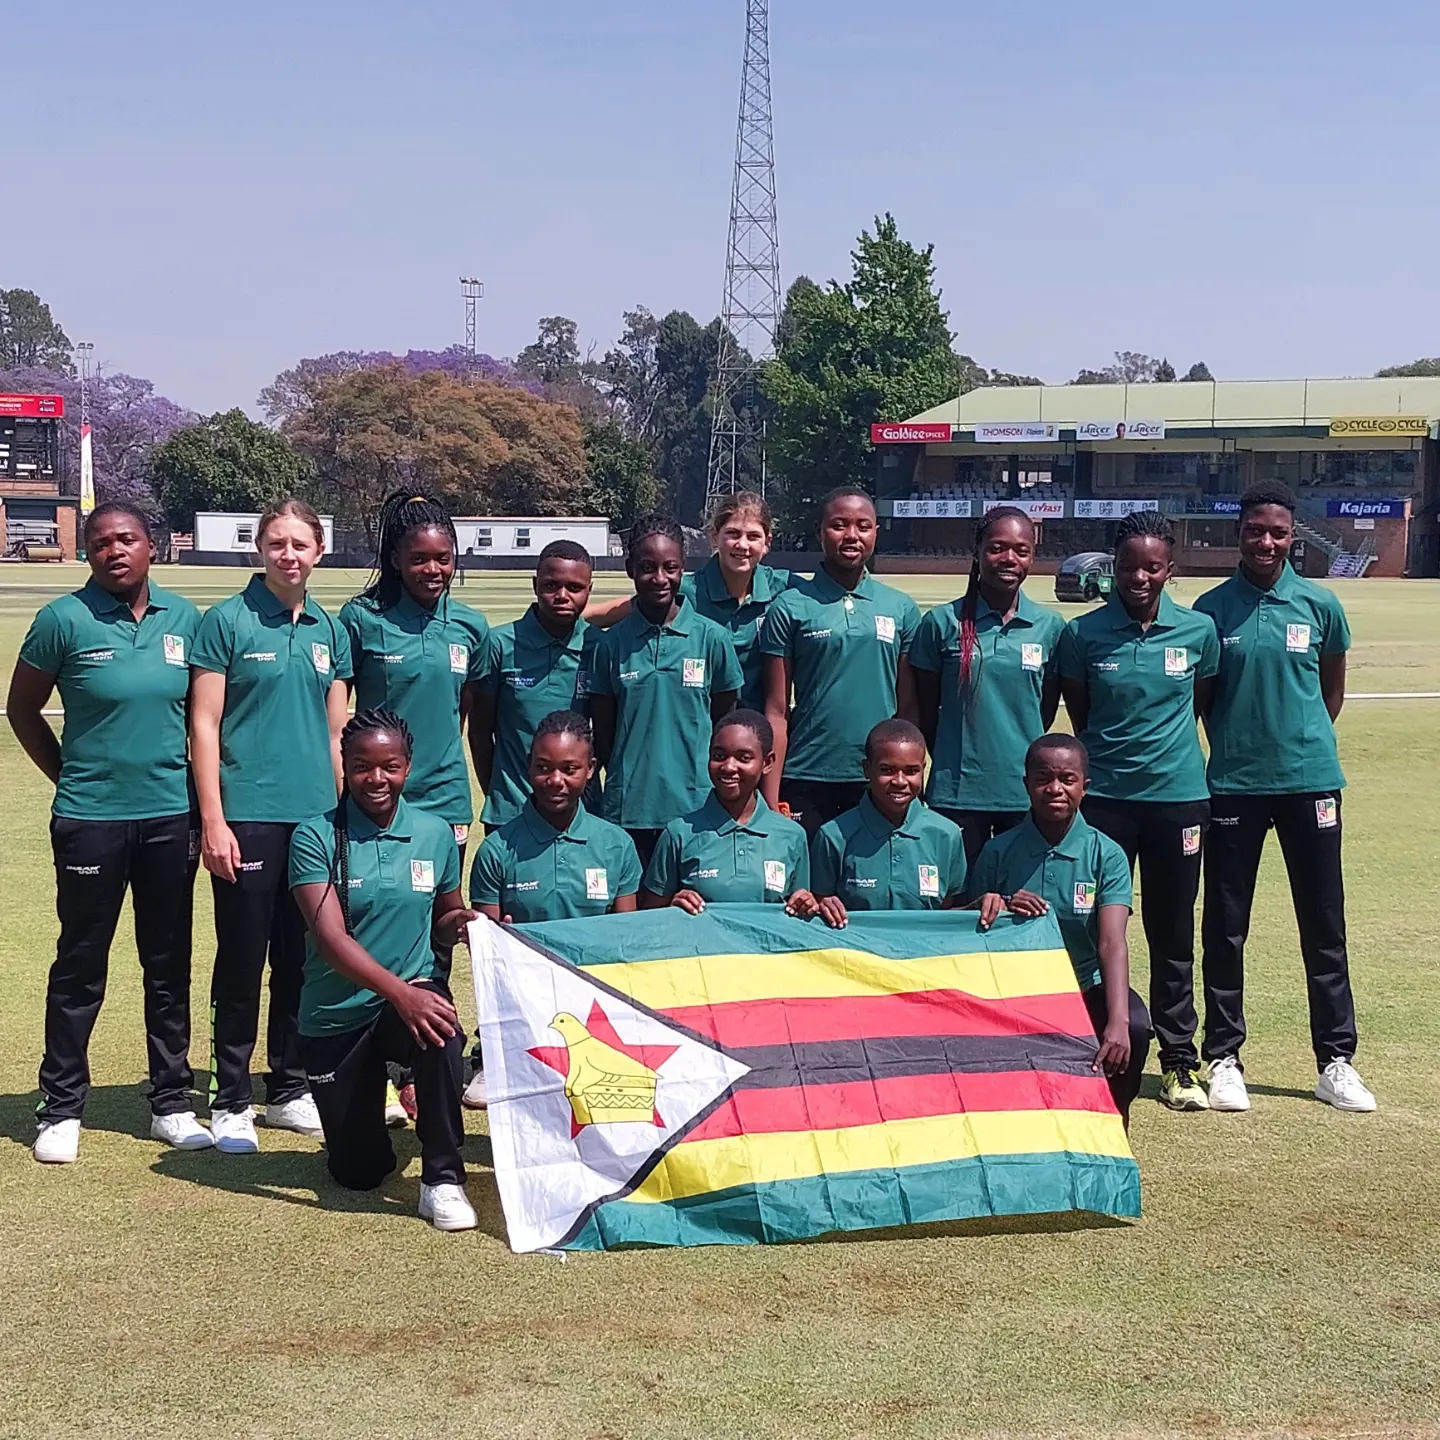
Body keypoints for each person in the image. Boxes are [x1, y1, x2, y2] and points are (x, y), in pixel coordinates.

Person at [8, 502, 211, 1163]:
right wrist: (68, 775)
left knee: (166, 962)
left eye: (127, 539)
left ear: (152, 547)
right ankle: (62, 1108)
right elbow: (23, 710)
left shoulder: (187, 620)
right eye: (101, 543)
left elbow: (206, 718)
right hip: (90, 820)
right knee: (80, 965)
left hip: (167, 818)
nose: (114, 551)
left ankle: (172, 1102)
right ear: (89, 555)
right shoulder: (61, 620)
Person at [1195, 481, 1375, 1113]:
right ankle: (1224, 1057)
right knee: (1225, 926)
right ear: (1238, 535)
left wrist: (1299, 746)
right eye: (1254, 531)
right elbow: (1204, 703)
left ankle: (1336, 1061)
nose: (1266, 542)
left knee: (1324, 926)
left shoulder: (1321, 605)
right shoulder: (1212, 611)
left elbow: (1331, 694)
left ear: (1292, 537)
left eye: (1277, 532)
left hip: (1311, 785)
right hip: (1234, 786)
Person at [190, 497, 353, 1154]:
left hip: (315, 819)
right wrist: (213, 820)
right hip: (248, 817)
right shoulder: (225, 621)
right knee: (240, 960)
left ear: (319, 552)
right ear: (261, 549)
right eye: (278, 543)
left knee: (301, 961)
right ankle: (229, 1098)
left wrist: (343, 820)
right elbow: (203, 723)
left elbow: (339, 731)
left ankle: (288, 1088)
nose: (290, 555)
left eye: (301, 545)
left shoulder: (328, 629)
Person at [288, 709, 479, 1231]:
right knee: (359, 1172)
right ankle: (378, 1098)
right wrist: (400, 993)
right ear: (344, 766)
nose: (376, 779)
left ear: (408, 766)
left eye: (389, 766)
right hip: (335, 1017)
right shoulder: (315, 836)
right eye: (362, 766)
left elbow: (443, 917)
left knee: (440, 1028)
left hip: (407, 1001)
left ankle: (442, 1178)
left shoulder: (436, 833)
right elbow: (329, 940)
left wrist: (462, 921)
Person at [1057, 510, 1219, 1114]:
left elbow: (1200, 704)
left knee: (1173, 932)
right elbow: (1082, 713)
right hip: (1105, 804)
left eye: (1152, 567)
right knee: (1098, 930)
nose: (1140, 577)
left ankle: (1180, 1061)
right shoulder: (1084, 634)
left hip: (1178, 801)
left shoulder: (1197, 631)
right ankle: (1089, 1045)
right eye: (1128, 567)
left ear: (1169, 570)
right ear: (1112, 570)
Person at [338, 491, 488, 1123]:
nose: (433, 570)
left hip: (444, 807)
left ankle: (424, 1070)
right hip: (373, 806)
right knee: (369, 928)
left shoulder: (469, 628)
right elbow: (340, 710)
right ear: (395, 559)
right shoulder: (361, 620)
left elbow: (468, 718)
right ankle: (364, 1065)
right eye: (420, 558)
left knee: (436, 939)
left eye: (444, 558)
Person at [965, 735, 1152, 1125]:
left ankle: (1113, 1126)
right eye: (1043, 778)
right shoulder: (998, 851)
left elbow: (1111, 940)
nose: (1055, 789)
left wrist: (1117, 1020)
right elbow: (970, 929)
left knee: (1133, 1024)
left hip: (1085, 987)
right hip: (1016, 990)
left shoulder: (1107, 853)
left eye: (1067, 779)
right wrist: (996, 905)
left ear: (1085, 785)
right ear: (1026, 784)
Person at [760, 488, 922, 838]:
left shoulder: (900, 607)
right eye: (839, 525)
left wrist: (909, 779)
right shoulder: (790, 606)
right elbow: (775, 710)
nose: (851, 535)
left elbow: (908, 707)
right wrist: (771, 799)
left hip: (878, 776)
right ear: (820, 532)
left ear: (876, 533)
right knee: (808, 889)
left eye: (863, 526)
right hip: (807, 773)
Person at [912, 505, 1065, 866]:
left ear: (1033, 556)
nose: (1009, 558)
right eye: (997, 547)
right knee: (959, 907)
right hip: (957, 795)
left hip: (1025, 794)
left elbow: (1042, 711)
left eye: (1021, 550)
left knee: (1021, 905)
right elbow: (926, 711)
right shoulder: (941, 623)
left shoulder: (1050, 627)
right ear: (977, 552)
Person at [588, 515, 741, 868]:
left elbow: (725, 723)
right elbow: (605, 735)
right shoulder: (611, 645)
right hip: (628, 811)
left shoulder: (712, 639)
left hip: (697, 809)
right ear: (630, 569)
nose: (659, 578)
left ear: (683, 568)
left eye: (670, 567)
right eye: (647, 567)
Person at [586, 491, 795, 711]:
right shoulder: (686, 590)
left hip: (756, 729)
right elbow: (619, 610)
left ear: (767, 542)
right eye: (732, 533)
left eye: (753, 536)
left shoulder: (786, 588)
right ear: (714, 537)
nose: (742, 545)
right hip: (702, 722)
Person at [470, 539, 599, 833]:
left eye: (575, 588)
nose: (562, 596)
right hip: (511, 810)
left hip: (580, 813)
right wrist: (500, 792)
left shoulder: (599, 646)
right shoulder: (500, 644)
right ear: (535, 584)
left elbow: (607, 734)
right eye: (551, 585)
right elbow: (479, 733)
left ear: (589, 590)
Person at [470, 711, 642, 922]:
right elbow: (488, 944)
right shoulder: (496, 850)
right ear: (528, 766)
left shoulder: (618, 845)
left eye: (569, 769)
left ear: (590, 769)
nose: (556, 780)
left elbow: (624, 934)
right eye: (543, 768)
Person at [640, 709, 816, 915]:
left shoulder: (792, 835)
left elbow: (801, 914)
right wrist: (673, 906)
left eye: (744, 758)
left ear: (767, 763)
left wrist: (806, 904)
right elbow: (649, 918)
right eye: (718, 756)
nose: (729, 767)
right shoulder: (678, 834)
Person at [809, 720, 966, 928]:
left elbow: (950, 912)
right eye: (887, 770)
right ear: (866, 769)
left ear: (923, 769)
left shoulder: (947, 835)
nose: (900, 781)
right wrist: (822, 904)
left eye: (911, 771)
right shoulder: (833, 836)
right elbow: (818, 905)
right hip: (856, 954)